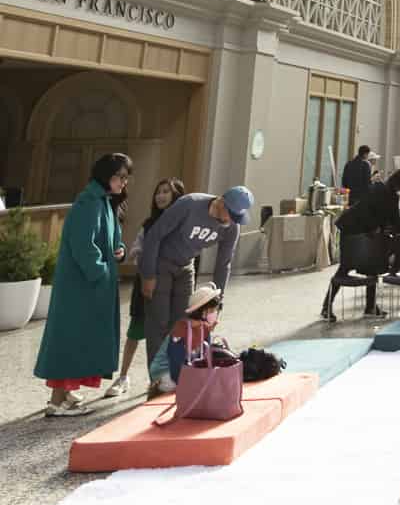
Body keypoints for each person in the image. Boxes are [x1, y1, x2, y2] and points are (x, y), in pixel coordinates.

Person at [33, 150, 131, 418]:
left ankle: (65, 395)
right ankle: (57, 402)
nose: (124, 182)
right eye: (120, 176)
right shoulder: (89, 203)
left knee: (78, 339)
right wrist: (101, 272)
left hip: (88, 286)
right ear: (105, 175)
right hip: (81, 287)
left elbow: (109, 239)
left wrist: (119, 250)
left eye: (126, 177)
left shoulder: (103, 201)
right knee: (71, 339)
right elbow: (83, 246)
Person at [139, 185, 253, 383]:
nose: (232, 221)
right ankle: (157, 381)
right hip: (161, 263)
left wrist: (216, 303)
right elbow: (155, 235)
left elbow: (223, 264)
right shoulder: (190, 204)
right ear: (221, 202)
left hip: (186, 266)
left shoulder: (232, 226)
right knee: (159, 323)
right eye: (231, 214)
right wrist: (148, 275)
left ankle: (177, 378)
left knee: (183, 323)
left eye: (237, 217)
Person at [105, 176, 185, 399]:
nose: (160, 196)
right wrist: (148, 262)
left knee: (168, 334)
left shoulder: (183, 225)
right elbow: (135, 250)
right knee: (135, 331)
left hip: (172, 288)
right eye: (158, 192)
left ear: (177, 196)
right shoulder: (149, 224)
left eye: (166, 192)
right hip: (147, 285)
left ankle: (166, 378)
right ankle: (123, 377)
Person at [321, 166, 400, 322]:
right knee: (352, 266)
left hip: (355, 227)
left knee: (361, 266)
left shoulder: (380, 186)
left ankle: (365, 306)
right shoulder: (389, 194)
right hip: (356, 229)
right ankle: (335, 306)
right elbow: (394, 220)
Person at [147, 279, 227, 391]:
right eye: (212, 310)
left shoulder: (204, 328)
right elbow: (176, 362)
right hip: (165, 370)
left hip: (185, 367)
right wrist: (185, 384)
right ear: (201, 311)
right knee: (176, 387)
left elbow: (205, 356)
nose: (215, 313)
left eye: (216, 310)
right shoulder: (181, 330)